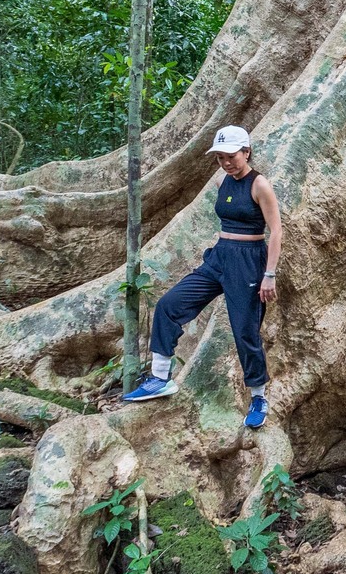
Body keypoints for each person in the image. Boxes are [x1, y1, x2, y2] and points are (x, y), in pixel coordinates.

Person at [119, 124, 282, 427]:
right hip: (219, 257)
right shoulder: (223, 182)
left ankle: (259, 396)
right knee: (170, 304)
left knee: (245, 332)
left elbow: (276, 232)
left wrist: (269, 274)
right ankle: (159, 376)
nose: (226, 162)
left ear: (246, 152)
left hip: (248, 262)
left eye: (231, 156)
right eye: (220, 157)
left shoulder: (259, 185)